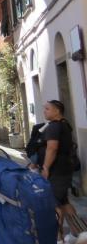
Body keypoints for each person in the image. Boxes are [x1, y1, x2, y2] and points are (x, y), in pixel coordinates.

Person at [35, 100, 79, 241]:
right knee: (64, 203)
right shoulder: (65, 124)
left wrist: (46, 168)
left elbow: (52, 148)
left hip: (56, 172)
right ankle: (78, 233)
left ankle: (58, 239)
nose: (44, 111)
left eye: (47, 109)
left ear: (57, 111)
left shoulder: (54, 126)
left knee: (54, 206)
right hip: (64, 170)